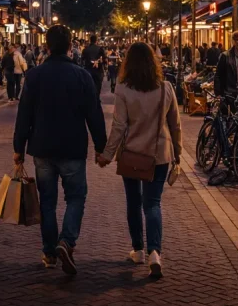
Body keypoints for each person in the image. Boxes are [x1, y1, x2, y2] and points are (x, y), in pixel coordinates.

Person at [13, 25, 107, 275]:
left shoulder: (34, 76)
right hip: (73, 147)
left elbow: (24, 114)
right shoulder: (82, 76)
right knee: (76, 197)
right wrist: (101, 146)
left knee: (47, 201)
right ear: (69, 47)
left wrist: (18, 148)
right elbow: (94, 114)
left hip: (42, 147)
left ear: (46, 46)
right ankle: (66, 241)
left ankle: (49, 252)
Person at [96, 42, 180, 278]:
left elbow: (119, 126)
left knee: (133, 203)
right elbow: (175, 124)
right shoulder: (166, 88)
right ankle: (155, 252)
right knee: (152, 203)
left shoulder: (123, 89)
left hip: (132, 154)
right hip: (159, 154)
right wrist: (179, 153)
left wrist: (106, 155)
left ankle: (138, 249)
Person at [214, 32, 238, 100]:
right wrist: (218, 93)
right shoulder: (225, 56)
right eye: (236, 40)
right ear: (233, 41)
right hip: (230, 92)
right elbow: (218, 74)